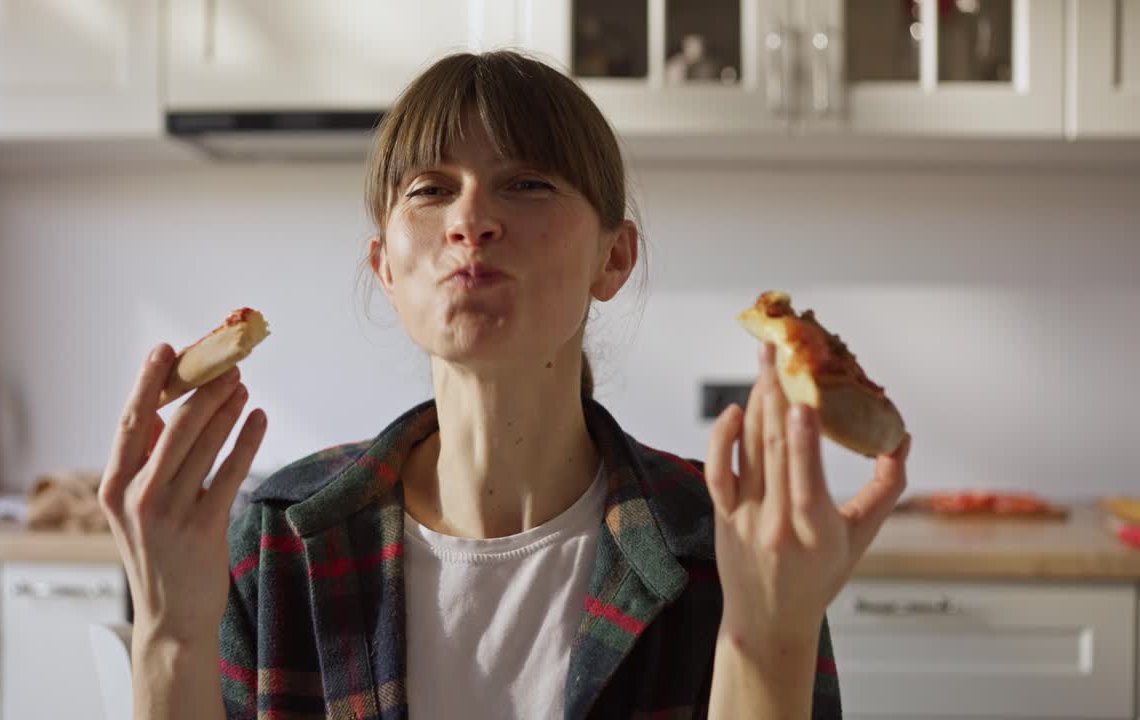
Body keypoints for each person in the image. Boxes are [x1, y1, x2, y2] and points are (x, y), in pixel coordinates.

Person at [98, 50, 911, 720]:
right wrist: (168, 636)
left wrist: (768, 639)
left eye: (527, 183)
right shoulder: (274, 544)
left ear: (614, 257)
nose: (471, 220)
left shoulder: (724, 544)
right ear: (384, 265)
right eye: (430, 189)